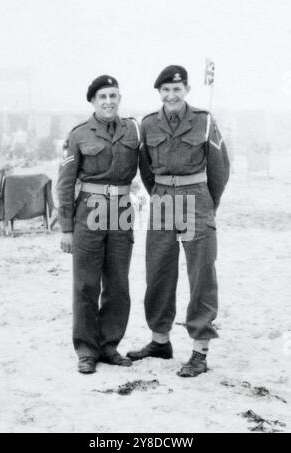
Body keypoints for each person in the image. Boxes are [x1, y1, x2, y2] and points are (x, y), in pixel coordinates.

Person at [127, 65, 230, 377]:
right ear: (159, 92)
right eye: (166, 90)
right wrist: (161, 192)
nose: (171, 95)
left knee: (200, 271)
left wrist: (207, 203)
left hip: (196, 198)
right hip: (161, 198)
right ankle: (160, 341)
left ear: (186, 90)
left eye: (177, 89)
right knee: (158, 268)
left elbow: (220, 169)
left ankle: (199, 351)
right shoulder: (147, 124)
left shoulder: (204, 120)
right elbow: (145, 169)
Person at [57, 75, 139, 374]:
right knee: (86, 285)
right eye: (102, 96)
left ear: (119, 99)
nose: (109, 101)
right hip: (88, 212)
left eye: (113, 96)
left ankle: (109, 345)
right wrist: (66, 228)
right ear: (93, 101)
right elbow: (65, 184)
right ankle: (87, 350)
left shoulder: (132, 130)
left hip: (121, 211)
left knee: (118, 283)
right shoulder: (79, 134)